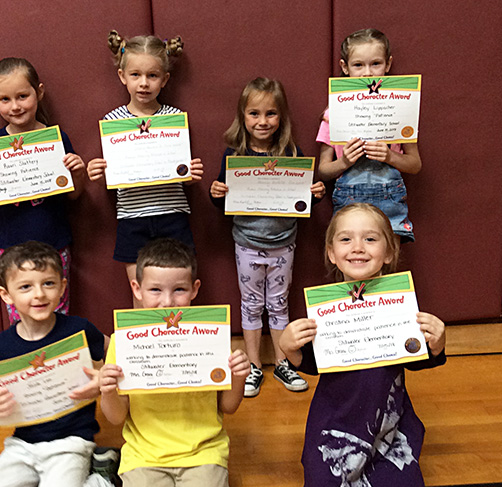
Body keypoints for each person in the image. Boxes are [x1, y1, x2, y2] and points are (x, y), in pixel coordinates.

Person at [279, 203, 446, 487]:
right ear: (331, 253)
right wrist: (289, 347)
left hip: (389, 429)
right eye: (346, 239)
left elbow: (418, 361)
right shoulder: (324, 310)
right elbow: (312, 364)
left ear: (388, 252)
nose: (358, 247)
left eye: (370, 239)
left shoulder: (400, 305)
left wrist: (436, 342)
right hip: (335, 425)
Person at [93, 238, 251, 487]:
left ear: (194, 289)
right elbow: (116, 418)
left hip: (202, 451)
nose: (167, 302)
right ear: (136, 288)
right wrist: (106, 389)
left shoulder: (211, 337)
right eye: (155, 290)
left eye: (179, 290)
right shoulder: (123, 343)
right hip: (145, 454)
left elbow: (228, 408)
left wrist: (238, 378)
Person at [0, 241, 119, 487]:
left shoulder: (79, 329)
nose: (39, 294)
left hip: (71, 442)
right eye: (26, 287)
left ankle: (103, 481)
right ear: (7, 295)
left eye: (48, 284)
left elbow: (118, 352)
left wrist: (104, 380)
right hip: (23, 446)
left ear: (62, 287)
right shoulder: (1, 346)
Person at [209, 77, 326, 397]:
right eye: (254, 114)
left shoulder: (292, 153)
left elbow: (303, 199)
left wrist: (315, 194)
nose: (262, 121)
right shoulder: (235, 154)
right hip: (247, 243)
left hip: (283, 242)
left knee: (278, 303)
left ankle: (283, 362)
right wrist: (216, 192)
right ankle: (253, 366)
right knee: (250, 304)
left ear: (282, 117)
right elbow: (223, 200)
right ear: (243, 116)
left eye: (271, 114)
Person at [0, 58, 86, 323]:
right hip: (10, 243)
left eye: (22, 96)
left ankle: (58, 360)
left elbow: (73, 194)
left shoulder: (56, 138)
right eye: (5, 99)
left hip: (52, 241)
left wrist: (78, 172)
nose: (15, 106)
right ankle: (26, 361)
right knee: (19, 310)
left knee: (56, 308)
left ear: (39, 92)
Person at [87, 31, 203, 301]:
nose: (143, 83)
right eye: (136, 75)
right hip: (132, 217)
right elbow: (113, 177)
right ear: (122, 76)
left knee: (177, 293)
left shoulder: (174, 119)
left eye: (152, 75)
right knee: (141, 296)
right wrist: (98, 174)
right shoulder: (113, 121)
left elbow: (180, 171)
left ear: (165, 80)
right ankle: (141, 342)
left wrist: (190, 175)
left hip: (172, 213)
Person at [317, 29, 422, 242]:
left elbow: (415, 164)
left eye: (376, 64)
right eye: (358, 65)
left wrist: (390, 156)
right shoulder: (333, 114)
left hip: (389, 203)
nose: (368, 73)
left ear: (388, 64)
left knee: (386, 264)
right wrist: (344, 161)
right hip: (349, 202)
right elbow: (324, 170)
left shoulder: (402, 109)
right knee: (352, 263)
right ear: (345, 67)